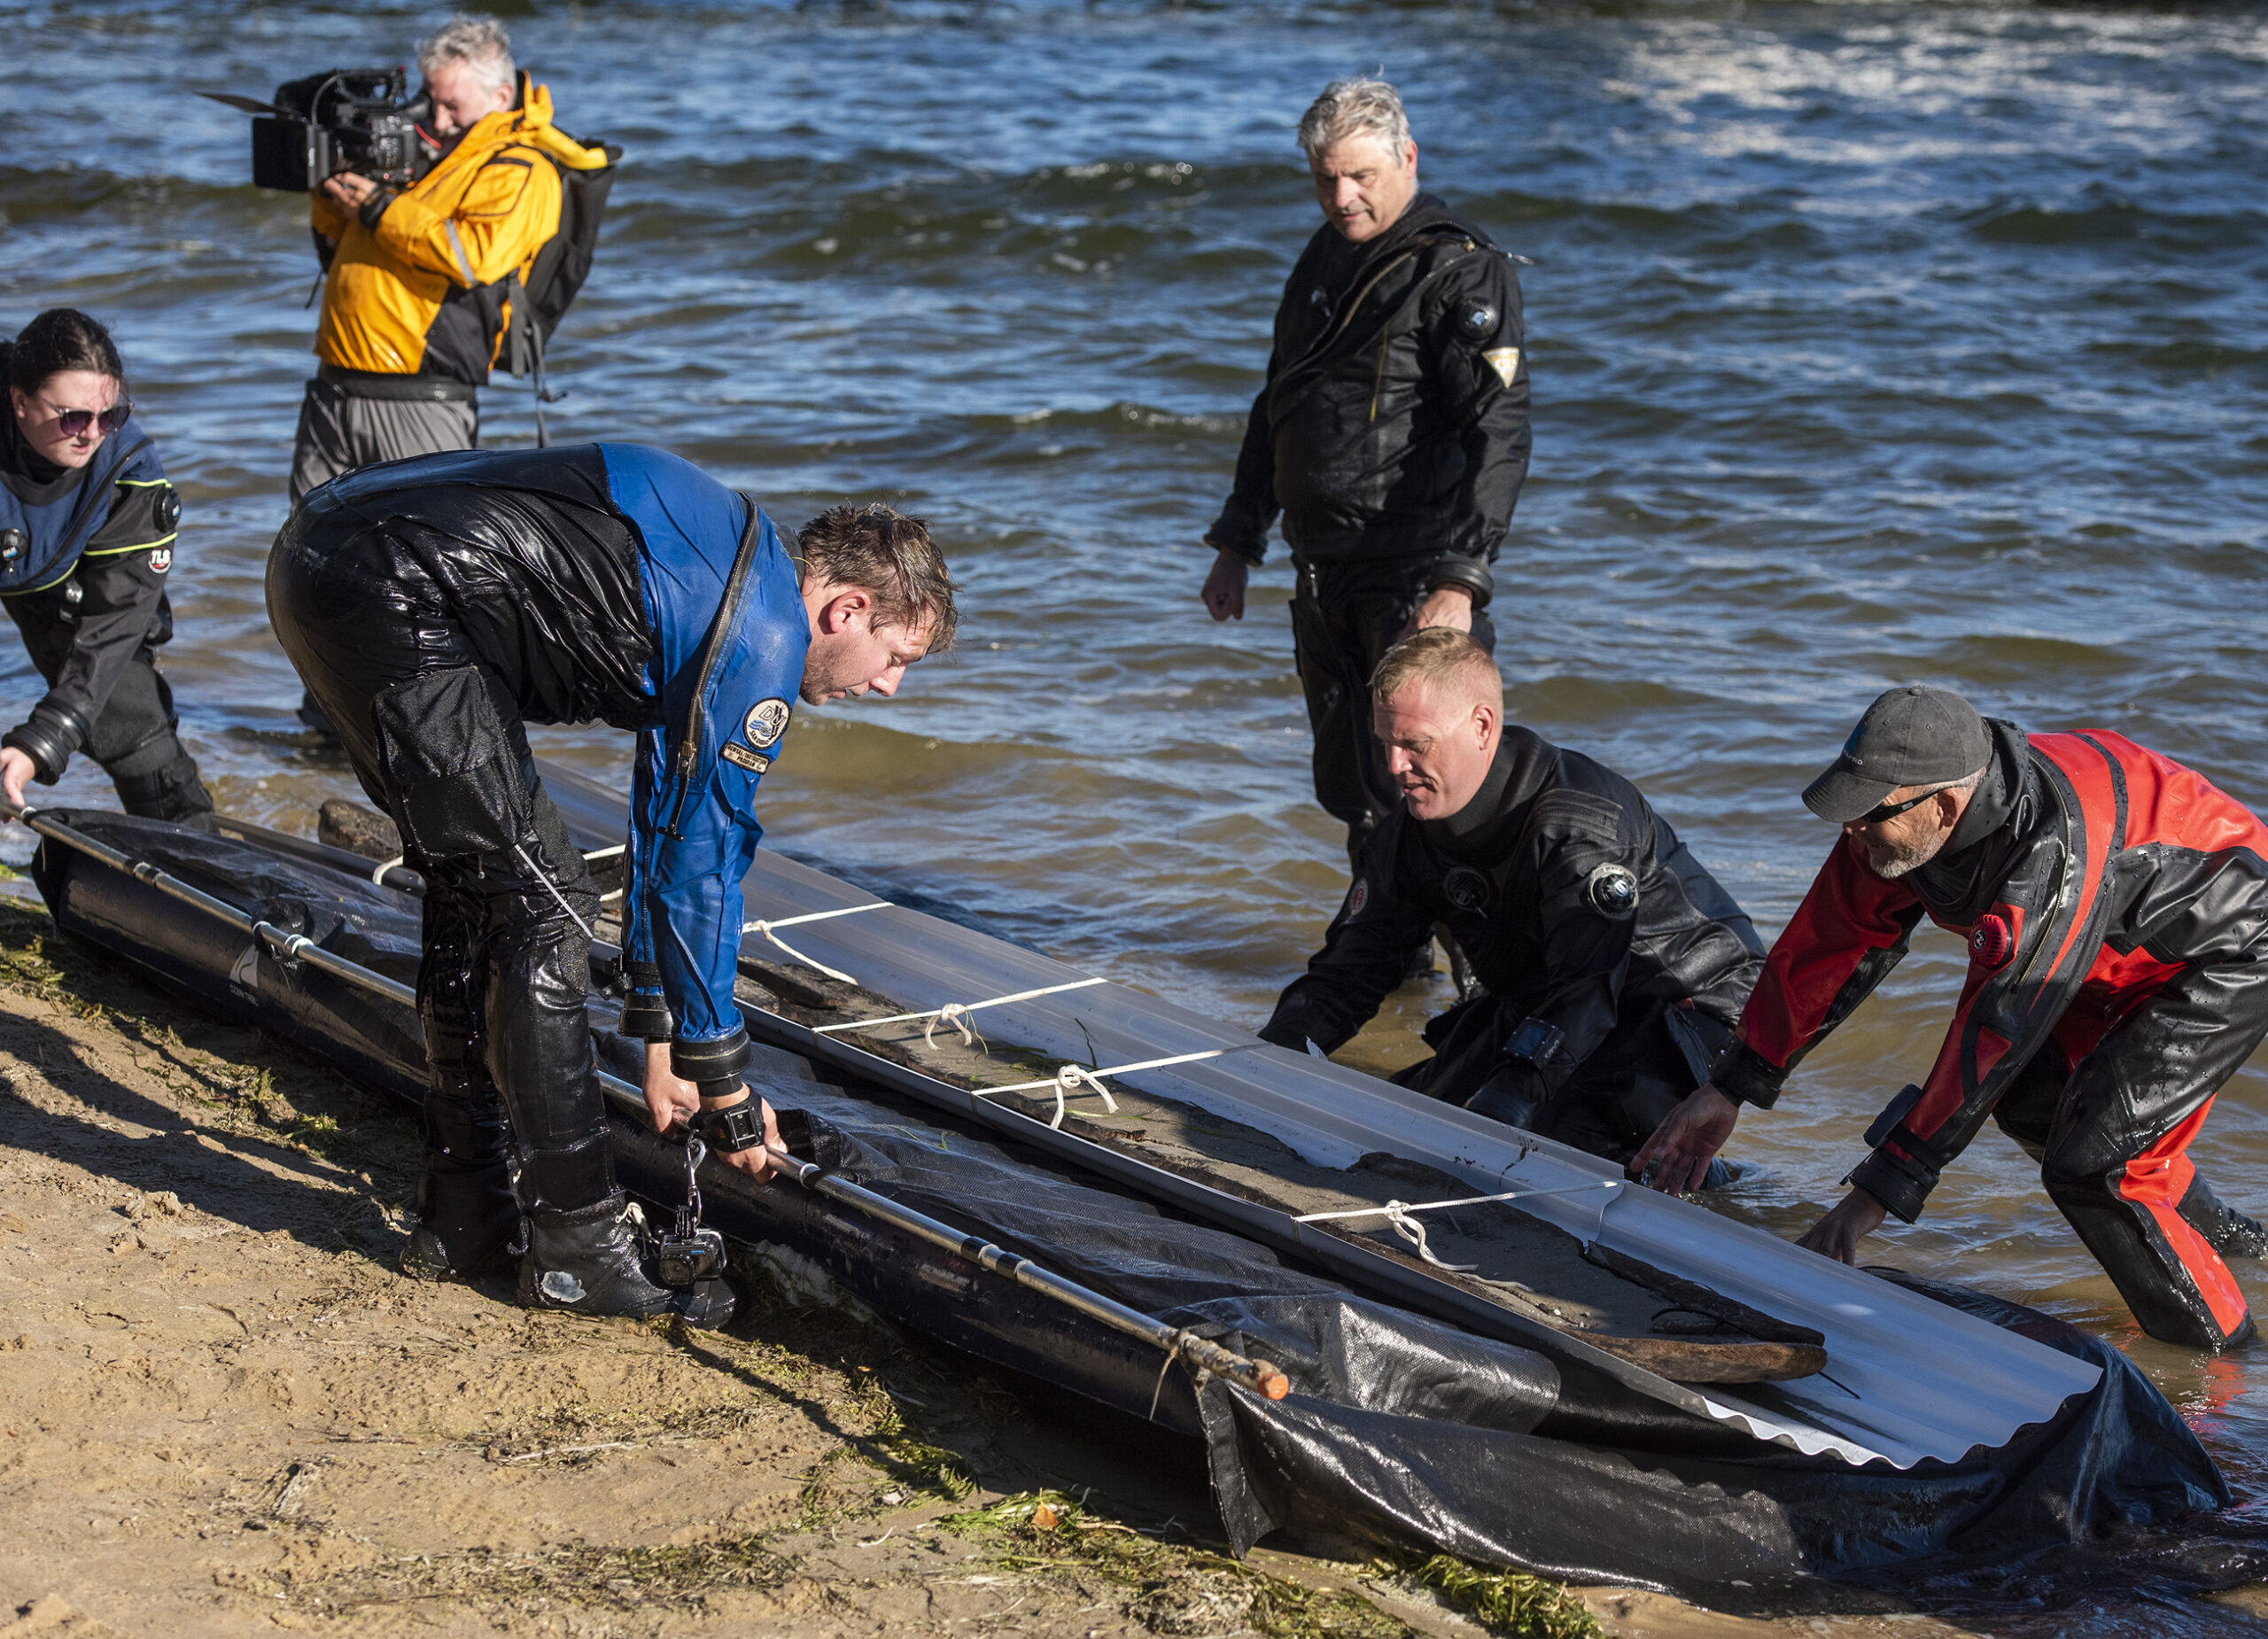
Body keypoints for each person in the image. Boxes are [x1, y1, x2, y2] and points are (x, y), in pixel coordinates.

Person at [268, 443, 956, 1326]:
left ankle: (466, 1212)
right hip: (392, 587)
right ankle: (578, 1251)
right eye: (895, 655)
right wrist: (728, 1084)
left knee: (474, 887)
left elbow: (660, 815)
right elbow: (704, 859)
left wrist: (658, 1034)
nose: (890, 686)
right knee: (544, 907)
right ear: (848, 608)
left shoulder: (730, 572)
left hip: (326, 554)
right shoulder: (764, 637)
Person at [1633, 686, 2268, 1350]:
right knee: (2031, 1105)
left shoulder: (2051, 856)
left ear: (1943, 805)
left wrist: (1871, 1198)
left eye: (1868, 814)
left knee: (2096, 1166)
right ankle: (2230, 1243)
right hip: (2102, 950)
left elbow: (1995, 1030)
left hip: (2226, 951)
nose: (1850, 829)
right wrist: (1730, 1086)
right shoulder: (1895, 818)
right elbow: (1826, 948)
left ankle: (2225, 1362)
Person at [1258, 630, 1764, 1171]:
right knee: (1407, 1122)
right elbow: (1347, 976)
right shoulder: (1408, 838)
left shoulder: (1577, 827)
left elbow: (1588, 990)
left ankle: (1730, 1189)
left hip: (1686, 1007)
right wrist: (1263, 1060)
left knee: (1557, 1145)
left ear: (1482, 726)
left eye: (1415, 745)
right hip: (1546, 998)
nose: (1393, 766)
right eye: (1385, 742)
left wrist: (1509, 1102)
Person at [1200, 77, 1530, 875]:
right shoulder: (1322, 255)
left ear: (1407, 158)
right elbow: (1277, 402)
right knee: (1355, 786)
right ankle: (1390, 970)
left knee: (1437, 785)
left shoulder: (1459, 268)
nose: (1341, 198)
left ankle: (1486, 977)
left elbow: (1502, 427)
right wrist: (1239, 542)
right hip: (1322, 568)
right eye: (1324, 178)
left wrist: (1462, 579)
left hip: (1416, 572)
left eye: (1361, 177)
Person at [291, 14, 608, 503]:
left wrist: (377, 206)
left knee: (421, 564)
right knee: (307, 556)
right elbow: (339, 246)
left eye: (452, 106)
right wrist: (330, 188)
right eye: (431, 100)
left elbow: (474, 257)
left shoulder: (522, 167)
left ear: (501, 98)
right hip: (335, 382)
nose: (437, 119)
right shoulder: (426, 153)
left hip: (422, 397)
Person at [0, 309, 214, 825]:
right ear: (20, 400)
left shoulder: (130, 474)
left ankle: (193, 846)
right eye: (73, 417)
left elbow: (115, 627)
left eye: (110, 416)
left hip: (65, 587)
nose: (92, 435)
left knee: (129, 720)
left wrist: (41, 743)